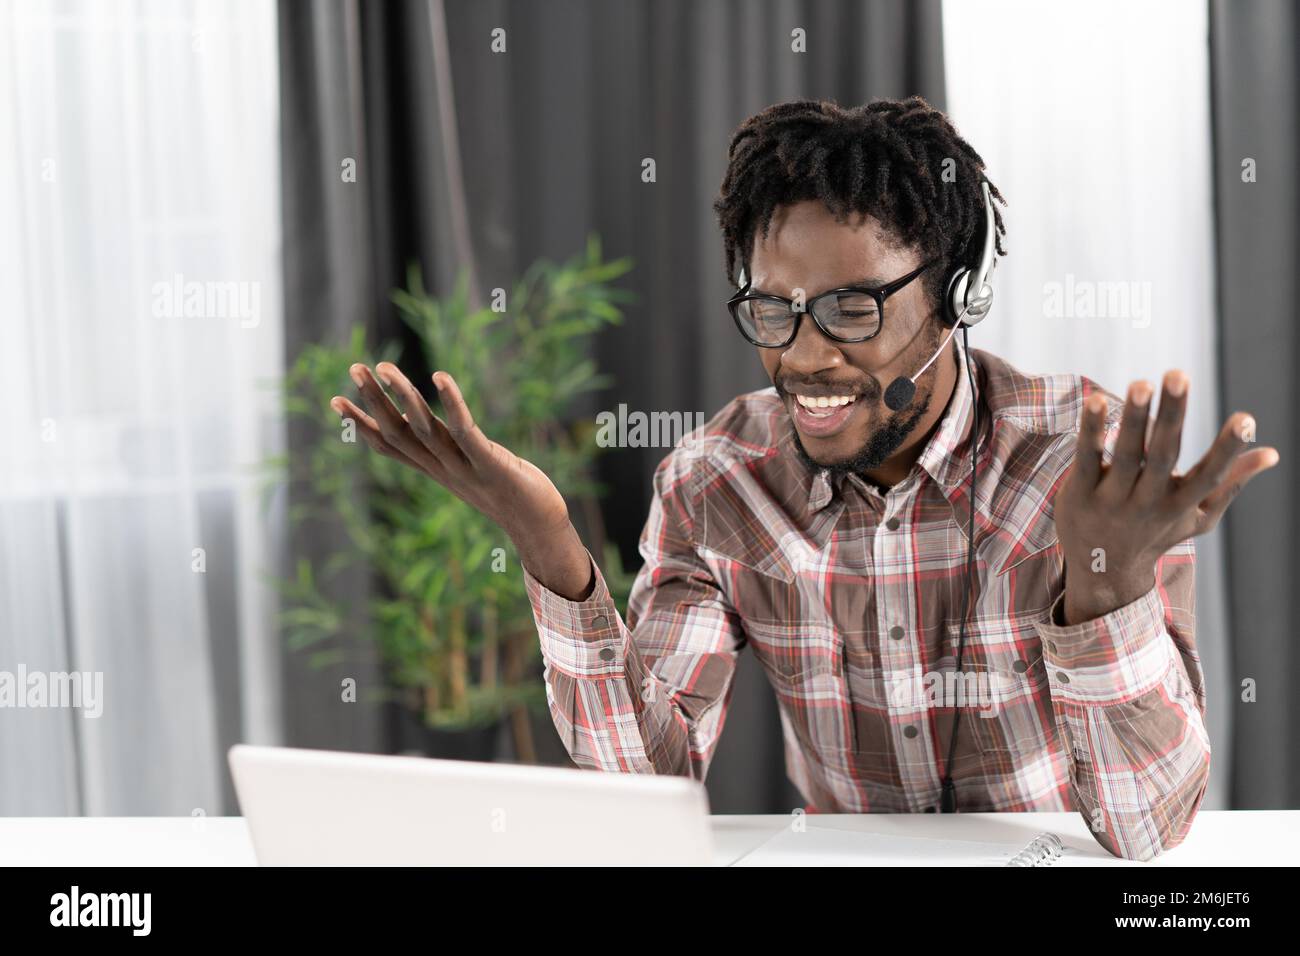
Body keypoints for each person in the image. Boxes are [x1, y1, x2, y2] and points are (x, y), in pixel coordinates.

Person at [330, 97, 1278, 861]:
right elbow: (642, 788)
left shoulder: (1087, 462)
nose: (805, 356)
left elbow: (1148, 831)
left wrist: (1105, 584)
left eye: (851, 309)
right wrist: (546, 543)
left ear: (956, 297)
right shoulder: (717, 484)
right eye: (773, 310)